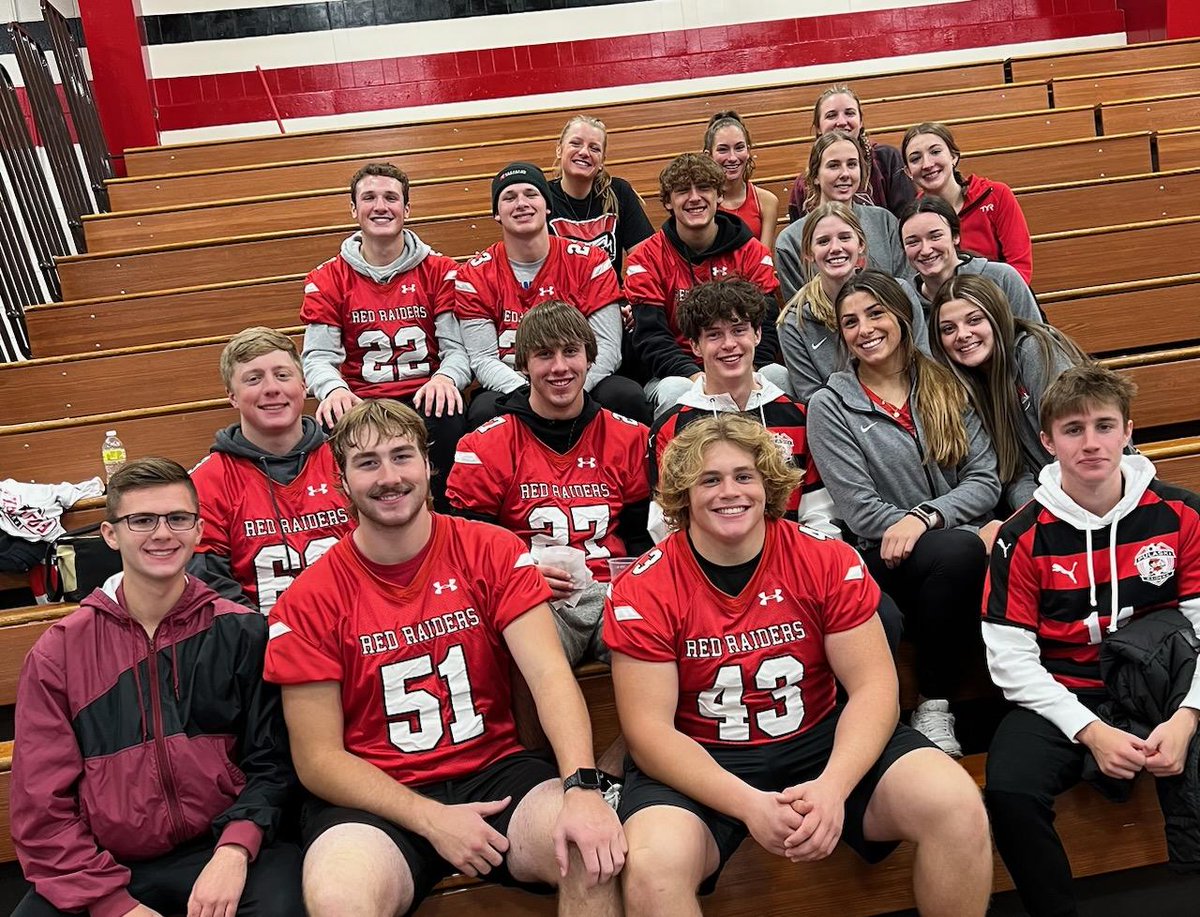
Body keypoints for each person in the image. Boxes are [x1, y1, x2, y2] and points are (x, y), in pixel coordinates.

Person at [606, 415, 992, 917]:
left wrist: (833, 788)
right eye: (710, 479)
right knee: (652, 866)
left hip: (818, 738)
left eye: (744, 476)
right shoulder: (644, 586)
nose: (730, 492)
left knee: (957, 805)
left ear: (769, 484)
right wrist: (749, 804)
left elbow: (875, 686)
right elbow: (647, 733)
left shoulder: (824, 558)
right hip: (703, 756)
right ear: (683, 495)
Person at [264, 399, 625, 916]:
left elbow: (549, 676)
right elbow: (318, 759)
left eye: (401, 456)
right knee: (340, 899)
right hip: (377, 794)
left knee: (591, 850)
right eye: (367, 463)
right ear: (341, 481)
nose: (389, 477)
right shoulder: (307, 600)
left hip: (494, 770)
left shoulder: (491, 550)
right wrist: (431, 818)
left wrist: (582, 787)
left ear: (428, 464)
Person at [12, 458, 301, 917]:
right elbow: (41, 808)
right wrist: (112, 903)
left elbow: (273, 765)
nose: (162, 534)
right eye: (142, 520)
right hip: (106, 864)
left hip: (223, 847)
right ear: (111, 535)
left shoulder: (242, 632)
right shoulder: (59, 653)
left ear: (198, 529)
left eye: (177, 518)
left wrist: (234, 850)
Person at [982, 364, 1200, 917]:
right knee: (1009, 787)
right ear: (1047, 440)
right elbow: (1010, 660)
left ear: (1128, 431)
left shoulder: (1181, 513)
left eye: (1105, 426)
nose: (1092, 443)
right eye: (1073, 429)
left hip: (1164, 685)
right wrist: (1092, 731)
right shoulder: (1020, 534)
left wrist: (1187, 718)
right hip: (1068, 692)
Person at [807, 270, 1001, 757]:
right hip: (881, 559)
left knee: (962, 551)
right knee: (957, 549)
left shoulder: (944, 382)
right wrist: (922, 524)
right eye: (850, 322)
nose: (865, 328)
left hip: (952, 550)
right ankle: (929, 707)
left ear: (901, 315)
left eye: (876, 313)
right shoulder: (830, 406)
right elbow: (860, 508)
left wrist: (925, 517)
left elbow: (984, 479)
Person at [446, 300, 652, 666]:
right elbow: (471, 552)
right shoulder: (483, 446)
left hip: (613, 592)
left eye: (570, 352)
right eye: (544, 354)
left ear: (590, 358)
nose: (560, 367)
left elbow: (640, 540)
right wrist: (521, 573)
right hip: (534, 598)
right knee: (519, 649)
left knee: (657, 634)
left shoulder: (630, 437)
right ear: (523, 364)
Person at [300, 162, 472, 512]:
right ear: (354, 209)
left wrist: (445, 377)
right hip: (362, 399)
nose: (380, 206)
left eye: (391, 198)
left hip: (423, 394)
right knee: (332, 418)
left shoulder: (440, 270)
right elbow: (317, 357)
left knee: (449, 413)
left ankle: (448, 521)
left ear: (406, 209)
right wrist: (333, 389)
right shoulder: (328, 278)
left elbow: (457, 349)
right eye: (369, 197)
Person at [455, 161, 649, 427]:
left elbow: (608, 350)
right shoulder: (474, 274)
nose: (521, 203)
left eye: (531, 194)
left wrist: (570, 389)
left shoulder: (591, 262)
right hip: (515, 384)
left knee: (625, 396)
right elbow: (483, 358)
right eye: (509, 197)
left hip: (580, 379)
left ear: (547, 206)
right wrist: (531, 395)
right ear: (497, 213)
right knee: (484, 410)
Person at [648, 277, 836, 543]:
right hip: (706, 573)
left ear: (757, 334)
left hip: (792, 567)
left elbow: (820, 515)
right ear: (695, 346)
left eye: (739, 330)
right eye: (714, 334)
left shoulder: (800, 416)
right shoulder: (673, 426)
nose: (729, 344)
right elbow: (667, 524)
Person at [189, 326, 354, 614]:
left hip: (358, 633)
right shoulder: (207, 480)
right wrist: (268, 637)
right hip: (260, 644)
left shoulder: (348, 459)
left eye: (282, 375)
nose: (271, 388)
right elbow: (208, 584)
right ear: (233, 396)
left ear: (303, 385)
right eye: (254, 379)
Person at [624, 153, 786, 415]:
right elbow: (650, 337)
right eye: (682, 191)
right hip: (679, 372)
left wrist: (747, 372)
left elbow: (765, 324)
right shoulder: (646, 257)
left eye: (704, 188)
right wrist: (696, 377)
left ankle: (785, 455)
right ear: (667, 201)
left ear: (719, 195)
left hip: (743, 363)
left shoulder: (753, 252)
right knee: (675, 392)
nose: (694, 197)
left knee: (777, 375)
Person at [929, 273, 1088, 510]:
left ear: (997, 318)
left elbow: (1079, 439)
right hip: (1045, 506)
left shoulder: (1033, 350)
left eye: (974, 320)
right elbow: (1013, 472)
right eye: (948, 329)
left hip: (1091, 494)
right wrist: (1034, 517)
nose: (962, 334)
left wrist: (1058, 518)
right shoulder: (965, 386)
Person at [777, 202, 927, 404]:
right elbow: (814, 400)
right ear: (808, 253)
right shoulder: (794, 323)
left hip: (916, 404)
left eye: (845, 238)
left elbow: (925, 363)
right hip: (847, 424)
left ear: (861, 244)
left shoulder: (899, 292)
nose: (835, 248)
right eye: (823, 242)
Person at [775, 131, 907, 297]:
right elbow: (799, 312)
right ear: (815, 175)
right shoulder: (790, 241)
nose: (845, 174)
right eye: (834, 165)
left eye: (852, 164)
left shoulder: (885, 222)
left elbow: (904, 290)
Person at [902, 122, 1034, 284]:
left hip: (1001, 300)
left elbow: (1020, 268)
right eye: (916, 159)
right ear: (908, 171)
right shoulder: (913, 218)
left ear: (953, 156)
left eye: (935, 152)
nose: (927, 164)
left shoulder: (996, 194)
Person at [899, 196, 1042, 325]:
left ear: (955, 236)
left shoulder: (1002, 278)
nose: (925, 250)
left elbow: (1037, 342)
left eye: (935, 236)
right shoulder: (903, 301)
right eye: (913, 242)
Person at [788, 85, 915, 221]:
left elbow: (908, 220)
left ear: (861, 122)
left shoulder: (886, 160)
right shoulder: (803, 184)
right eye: (831, 115)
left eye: (849, 113)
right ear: (818, 127)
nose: (841, 122)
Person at [549, 115, 655, 276]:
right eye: (575, 143)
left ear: (602, 161)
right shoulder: (542, 197)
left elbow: (648, 259)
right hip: (560, 300)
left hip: (610, 297)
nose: (584, 152)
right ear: (559, 149)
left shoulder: (619, 192)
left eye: (594, 148)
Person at [702, 111, 780, 247]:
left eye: (739, 148)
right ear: (709, 156)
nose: (732, 158)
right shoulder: (701, 202)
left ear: (748, 151)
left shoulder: (767, 202)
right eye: (723, 149)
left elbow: (765, 260)